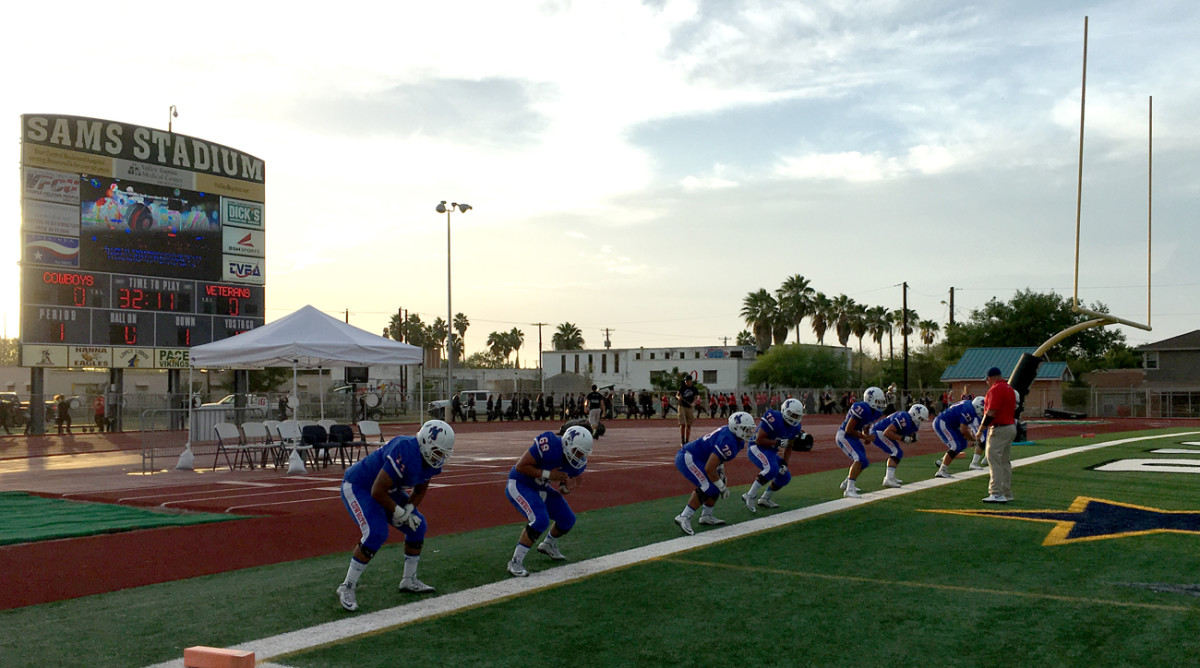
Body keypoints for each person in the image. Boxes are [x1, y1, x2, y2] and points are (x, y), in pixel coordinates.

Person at [335, 419, 455, 612]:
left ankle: (409, 579)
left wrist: (408, 509)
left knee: (418, 526)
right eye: (438, 451)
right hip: (360, 486)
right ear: (425, 442)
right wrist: (399, 512)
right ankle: (347, 586)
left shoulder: (430, 459)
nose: (440, 457)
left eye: (443, 452)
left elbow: (421, 488)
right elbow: (377, 491)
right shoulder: (404, 449)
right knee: (376, 532)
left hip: (386, 490)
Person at [505, 425, 594, 577]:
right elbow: (520, 467)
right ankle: (515, 562)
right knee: (540, 520)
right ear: (567, 444)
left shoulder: (575, 463)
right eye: (577, 452)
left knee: (567, 519)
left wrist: (567, 487)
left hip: (541, 488)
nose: (579, 457)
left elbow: (562, 488)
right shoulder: (550, 445)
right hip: (520, 484)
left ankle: (548, 544)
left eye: (582, 454)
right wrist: (548, 474)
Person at [673, 411, 757, 535]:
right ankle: (684, 516)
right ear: (735, 427)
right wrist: (722, 488)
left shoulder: (735, 438)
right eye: (746, 429)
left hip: (700, 458)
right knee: (709, 486)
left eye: (750, 429)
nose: (749, 432)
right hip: (688, 457)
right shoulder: (728, 439)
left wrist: (721, 472)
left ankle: (706, 516)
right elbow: (709, 468)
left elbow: (717, 456)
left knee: (717, 481)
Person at [742, 397, 809, 511]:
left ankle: (765, 498)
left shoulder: (796, 427)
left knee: (785, 477)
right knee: (771, 469)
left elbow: (789, 446)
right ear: (785, 411)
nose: (794, 419)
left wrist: (785, 463)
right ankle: (750, 495)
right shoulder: (774, 417)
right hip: (756, 447)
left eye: (797, 416)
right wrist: (777, 442)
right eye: (792, 415)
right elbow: (759, 440)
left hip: (771, 451)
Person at [834, 386, 887, 498]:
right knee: (859, 458)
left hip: (853, 436)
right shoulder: (862, 407)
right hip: (844, 435)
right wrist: (865, 437)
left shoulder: (875, 412)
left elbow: (866, 425)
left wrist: (866, 434)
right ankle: (849, 489)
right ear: (870, 399)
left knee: (865, 462)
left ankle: (847, 483)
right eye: (878, 401)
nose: (880, 404)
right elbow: (849, 429)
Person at [976, 367, 1017, 503]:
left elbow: (991, 411)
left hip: (1000, 428)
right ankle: (1007, 492)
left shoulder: (996, 389)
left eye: (987, 379)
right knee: (1005, 461)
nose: (987, 382)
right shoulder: (1009, 389)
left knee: (994, 460)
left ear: (991, 377)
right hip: (1010, 426)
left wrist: (981, 429)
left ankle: (996, 492)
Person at [865, 404, 929, 488]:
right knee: (896, 452)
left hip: (882, 433)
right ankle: (888, 478)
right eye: (920, 418)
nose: (921, 421)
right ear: (914, 414)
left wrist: (912, 438)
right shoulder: (904, 417)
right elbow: (887, 432)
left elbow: (906, 438)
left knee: (898, 452)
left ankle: (891, 476)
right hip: (877, 432)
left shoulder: (912, 423)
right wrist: (903, 438)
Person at [933, 397, 986, 478]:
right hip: (942, 423)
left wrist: (973, 439)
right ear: (978, 407)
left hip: (951, 425)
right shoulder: (969, 410)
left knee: (963, 444)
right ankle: (942, 470)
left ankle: (943, 461)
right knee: (955, 446)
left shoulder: (971, 406)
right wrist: (973, 439)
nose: (983, 412)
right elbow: (963, 430)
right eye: (982, 410)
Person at [676, 375, 698, 445]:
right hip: (682, 407)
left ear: (690, 381)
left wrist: (693, 403)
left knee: (688, 424)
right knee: (682, 423)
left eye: (687, 380)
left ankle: (687, 440)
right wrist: (678, 397)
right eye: (685, 381)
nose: (686, 382)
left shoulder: (694, 389)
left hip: (689, 407)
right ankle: (682, 439)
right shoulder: (682, 387)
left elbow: (695, 398)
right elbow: (677, 395)